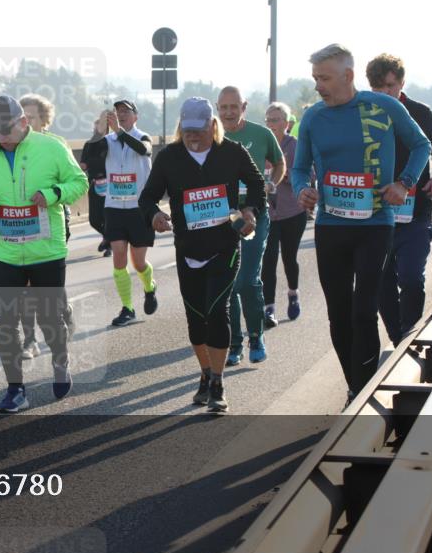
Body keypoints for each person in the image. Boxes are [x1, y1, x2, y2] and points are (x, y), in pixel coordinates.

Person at [293, 44, 430, 403]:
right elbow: (298, 168)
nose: (318, 86)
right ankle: (356, 384)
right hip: (330, 225)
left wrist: (404, 183)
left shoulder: (383, 107)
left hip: (375, 224)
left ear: (348, 76)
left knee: (364, 310)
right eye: (315, 79)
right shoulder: (312, 118)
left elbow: (422, 145)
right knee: (339, 314)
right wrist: (301, 190)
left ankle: (364, 392)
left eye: (324, 78)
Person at [139, 97, 264, 413]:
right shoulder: (170, 158)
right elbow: (147, 198)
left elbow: (257, 184)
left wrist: (250, 211)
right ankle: (206, 374)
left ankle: (219, 383)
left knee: (216, 310)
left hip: (225, 245)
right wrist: (155, 215)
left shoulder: (232, 153)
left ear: (213, 126)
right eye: (187, 130)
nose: (193, 136)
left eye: (199, 130)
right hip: (187, 249)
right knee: (196, 320)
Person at [0, 95, 88, 413]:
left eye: (7, 127)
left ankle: (60, 363)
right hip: (5, 251)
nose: (1, 135)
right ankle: (15, 389)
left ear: (24, 122)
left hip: (46, 250)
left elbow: (79, 182)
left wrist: (52, 194)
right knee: (7, 322)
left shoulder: (51, 148)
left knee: (50, 318)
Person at [366, 54, 432, 346]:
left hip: (414, 214)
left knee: (412, 278)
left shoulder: (419, 112)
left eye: (390, 86)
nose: (384, 93)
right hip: (376, 216)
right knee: (382, 286)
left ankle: (409, 335)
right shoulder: (362, 114)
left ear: (402, 83)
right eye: (377, 87)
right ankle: (400, 339)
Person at [217, 87, 285, 365]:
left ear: (244, 107)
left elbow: (280, 163)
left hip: (255, 213)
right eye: (224, 108)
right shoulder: (212, 137)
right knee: (229, 283)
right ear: (217, 108)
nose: (229, 113)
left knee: (247, 279)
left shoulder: (261, 134)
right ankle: (235, 343)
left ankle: (256, 335)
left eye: (234, 107)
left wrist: (271, 183)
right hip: (224, 216)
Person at [85, 100, 157, 326]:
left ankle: (149, 286)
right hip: (114, 207)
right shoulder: (107, 140)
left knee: (139, 262)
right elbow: (87, 157)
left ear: (136, 116)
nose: (121, 115)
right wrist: (99, 131)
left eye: (126, 112)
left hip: (139, 209)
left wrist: (120, 131)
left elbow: (143, 150)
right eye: (117, 112)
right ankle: (127, 308)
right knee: (118, 256)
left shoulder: (143, 137)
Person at [18, 93, 78, 354]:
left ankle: (64, 310)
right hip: (20, 225)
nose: (25, 122)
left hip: (52, 222)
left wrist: (51, 194)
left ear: (44, 121)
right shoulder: (12, 147)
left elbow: (74, 182)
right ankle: (30, 340)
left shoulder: (56, 144)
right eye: (22, 117)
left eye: (31, 117)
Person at [260, 103, 308, 329]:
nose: (272, 124)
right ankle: (268, 308)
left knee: (289, 258)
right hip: (267, 214)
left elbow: (309, 174)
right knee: (268, 260)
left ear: (287, 123)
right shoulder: (261, 146)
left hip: (292, 211)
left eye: (277, 119)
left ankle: (293, 292)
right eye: (269, 119)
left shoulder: (295, 146)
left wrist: (284, 174)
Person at [81, 111, 113, 257]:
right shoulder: (89, 144)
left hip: (110, 185)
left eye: (100, 127)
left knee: (107, 217)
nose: (97, 129)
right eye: (96, 127)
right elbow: (83, 165)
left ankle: (109, 246)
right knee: (94, 220)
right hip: (94, 184)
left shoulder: (111, 142)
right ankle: (109, 238)